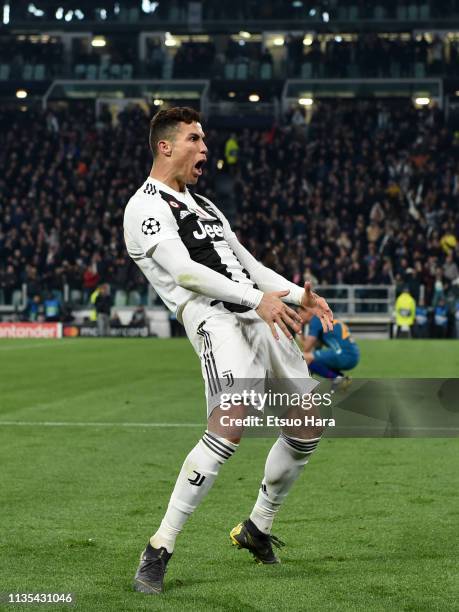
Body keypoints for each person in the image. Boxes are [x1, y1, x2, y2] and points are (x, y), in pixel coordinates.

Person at [123, 107, 333, 595]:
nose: (205, 149)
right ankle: (159, 549)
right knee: (231, 420)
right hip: (215, 317)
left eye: (205, 140)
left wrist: (299, 297)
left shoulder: (206, 206)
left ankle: (257, 527)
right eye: (195, 140)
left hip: (261, 311)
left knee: (307, 424)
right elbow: (185, 273)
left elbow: (249, 265)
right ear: (165, 146)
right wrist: (255, 300)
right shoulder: (144, 207)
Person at [299, 309, 360, 384]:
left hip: (343, 354)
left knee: (305, 358)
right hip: (352, 355)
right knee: (311, 360)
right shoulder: (323, 317)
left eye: (299, 312)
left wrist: (299, 332)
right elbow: (316, 347)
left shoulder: (316, 319)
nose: (298, 316)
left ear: (308, 312)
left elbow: (306, 349)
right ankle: (342, 379)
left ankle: (338, 379)